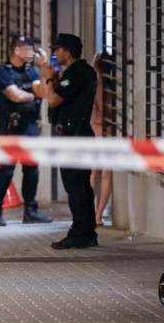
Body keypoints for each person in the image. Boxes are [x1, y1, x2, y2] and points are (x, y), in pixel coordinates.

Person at [0, 34, 55, 226]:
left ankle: (31, 211)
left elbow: (41, 92)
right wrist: (32, 96)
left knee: (32, 168)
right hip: (11, 126)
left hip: (29, 124)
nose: (32, 54)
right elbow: (15, 96)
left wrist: (44, 69)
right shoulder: (2, 71)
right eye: (29, 50)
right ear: (17, 50)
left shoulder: (31, 71)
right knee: (7, 168)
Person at [44, 33, 99, 250]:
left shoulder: (76, 73)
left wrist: (48, 79)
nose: (55, 54)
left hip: (73, 136)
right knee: (82, 185)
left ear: (67, 51)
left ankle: (79, 233)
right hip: (80, 133)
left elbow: (54, 99)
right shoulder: (82, 72)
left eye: (57, 50)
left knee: (75, 186)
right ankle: (87, 231)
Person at [91, 51, 116, 226]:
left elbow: (94, 111)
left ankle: (90, 213)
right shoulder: (112, 86)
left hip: (95, 132)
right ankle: (98, 215)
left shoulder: (95, 84)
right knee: (106, 175)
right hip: (108, 133)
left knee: (94, 175)